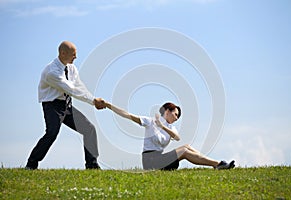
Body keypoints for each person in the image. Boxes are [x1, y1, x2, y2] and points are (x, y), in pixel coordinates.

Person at [25, 41, 106, 170]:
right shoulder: (52, 72)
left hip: (66, 105)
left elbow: (79, 87)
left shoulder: (72, 68)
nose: (76, 57)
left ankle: (92, 165)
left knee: (89, 129)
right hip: (52, 106)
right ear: (63, 53)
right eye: (73, 54)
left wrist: (94, 100)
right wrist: (93, 101)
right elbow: (71, 89)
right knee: (52, 133)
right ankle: (31, 164)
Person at [104, 101, 235, 170]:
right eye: (175, 114)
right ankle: (218, 164)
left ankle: (215, 164)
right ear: (167, 111)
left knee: (186, 146)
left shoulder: (170, 127)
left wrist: (162, 127)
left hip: (162, 160)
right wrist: (108, 105)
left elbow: (177, 137)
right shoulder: (150, 121)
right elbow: (128, 115)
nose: (177, 118)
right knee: (184, 150)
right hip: (150, 161)